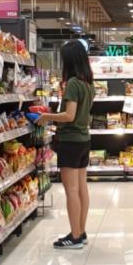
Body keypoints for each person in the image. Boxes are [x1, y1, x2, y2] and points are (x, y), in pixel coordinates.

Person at [36, 40, 94, 249]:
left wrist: (47, 117)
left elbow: (69, 115)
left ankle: (75, 237)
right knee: (81, 188)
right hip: (84, 140)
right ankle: (81, 231)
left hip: (70, 142)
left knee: (71, 189)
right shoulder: (88, 84)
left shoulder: (72, 84)